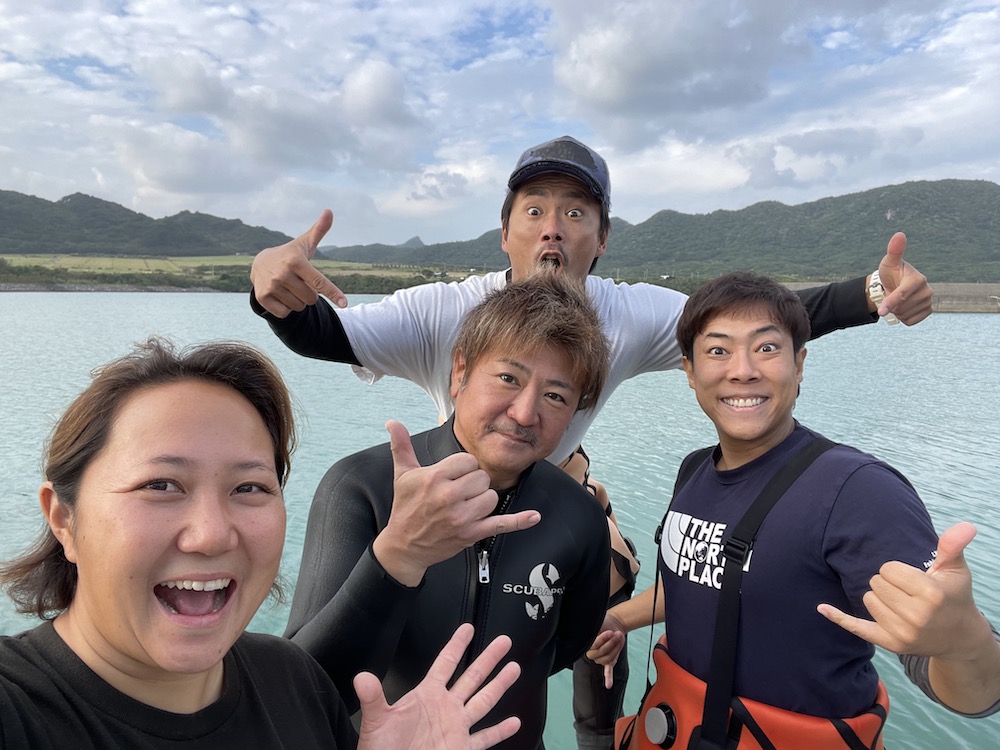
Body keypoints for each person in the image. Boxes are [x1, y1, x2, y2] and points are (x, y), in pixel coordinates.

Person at [249, 135, 934, 748]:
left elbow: (743, 325)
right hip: (447, 480)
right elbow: (328, 333)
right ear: (505, 233)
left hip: (553, 493)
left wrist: (874, 291)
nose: (554, 227)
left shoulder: (624, 313)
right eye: (535, 210)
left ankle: (598, 736)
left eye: (576, 213)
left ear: (601, 238)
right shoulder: (441, 318)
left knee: (601, 601)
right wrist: (274, 292)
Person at [0, 337, 525, 750]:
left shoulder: (295, 683)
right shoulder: (18, 710)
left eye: (248, 488)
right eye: (160, 485)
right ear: (63, 518)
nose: (211, 534)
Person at [586, 272, 1000, 748]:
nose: (742, 370)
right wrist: (620, 619)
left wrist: (964, 642)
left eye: (766, 348)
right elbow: (700, 580)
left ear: (799, 364)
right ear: (690, 371)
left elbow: (974, 692)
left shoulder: (855, 491)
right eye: (718, 350)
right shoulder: (695, 469)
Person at [283, 275, 613, 750]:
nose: (525, 413)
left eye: (555, 396)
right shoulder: (360, 488)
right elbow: (303, 690)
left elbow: (563, 647)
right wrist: (398, 557)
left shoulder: (579, 517)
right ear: (460, 373)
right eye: (508, 378)